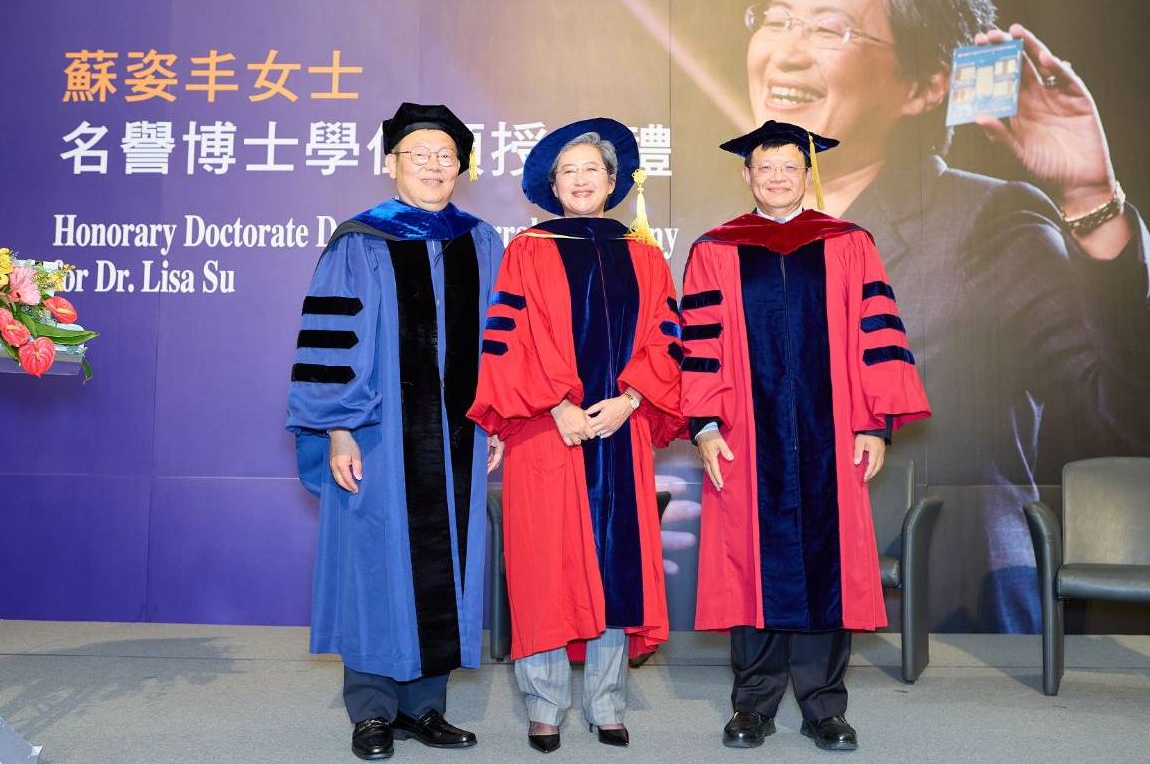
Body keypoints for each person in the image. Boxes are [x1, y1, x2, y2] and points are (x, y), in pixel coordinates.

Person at [731, 0, 1150, 632]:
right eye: (778, 20)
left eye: (830, 29)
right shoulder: (727, 243)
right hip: (774, 604)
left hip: (947, 622)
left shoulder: (989, 223)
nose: (787, 51)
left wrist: (1091, 198)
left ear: (925, 84)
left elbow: (1122, 418)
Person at [681, 120, 931, 751]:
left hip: (832, 433)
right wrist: (705, 426)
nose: (777, 177)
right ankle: (752, 705)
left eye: (789, 166)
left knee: (829, 564)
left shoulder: (848, 243)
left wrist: (874, 424)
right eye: (765, 167)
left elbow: (875, 333)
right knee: (749, 565)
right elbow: (701, 345)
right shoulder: (717, 248)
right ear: (747, 175)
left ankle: (825, 707)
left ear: (807, 174)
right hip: (746, 435)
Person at [286, 102, 503, 761]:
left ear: (461, 168)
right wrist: (339, 428)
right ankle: (374, 712)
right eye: (419, 155)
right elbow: (332, 343)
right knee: (375, 566)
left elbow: (499, 342)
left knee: (448, 565)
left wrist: (495, 419)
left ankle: (425, 708)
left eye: (446, 157)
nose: (434, 167)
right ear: (391, 164)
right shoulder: (359, 240)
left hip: (459, 437)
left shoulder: (480, 241)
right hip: (379, 436)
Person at [468, 118, 682, 753]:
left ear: (613, 183)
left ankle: (607, 702)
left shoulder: (645, 255)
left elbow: (667, 336)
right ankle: (544, 703)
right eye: (570, 171)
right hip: (546, 431)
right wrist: (555, 404)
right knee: (544, 567)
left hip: (620, 427)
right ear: (553, 186)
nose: (582, 179)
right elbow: (510, 338)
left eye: (593, 169)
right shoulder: (528, 251)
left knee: (617, 566)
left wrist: (632, 398)